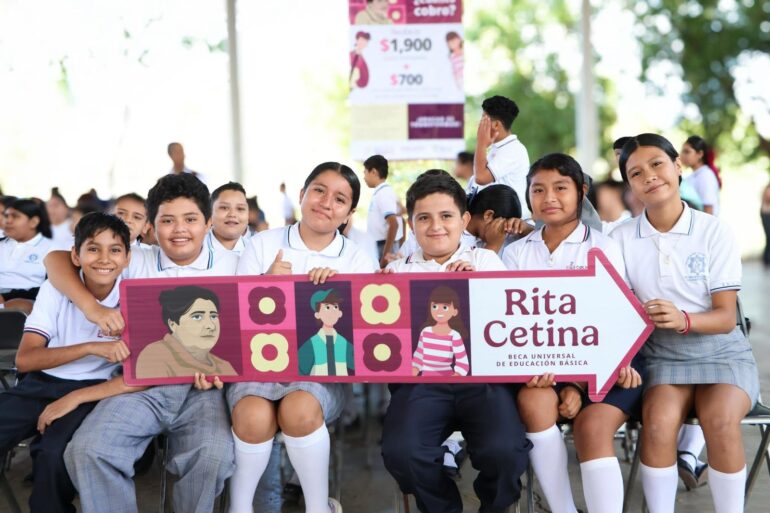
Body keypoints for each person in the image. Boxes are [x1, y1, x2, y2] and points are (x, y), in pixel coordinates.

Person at [46, 173, 238, 513]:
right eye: (167, 220)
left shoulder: (236, 264)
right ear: (151, 225)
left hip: (204, 391)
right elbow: (55, 260)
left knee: (213, 457)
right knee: (88, 449)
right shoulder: (137, 259)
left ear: (208, 223)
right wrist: (91, 308)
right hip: (138, 387)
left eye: (190, 219)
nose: (179, 230)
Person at [612, 133, 758, 513]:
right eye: (636, 173)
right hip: (660, 354)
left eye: (657, 164)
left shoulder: (714, 230)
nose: (649, 176)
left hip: (722, 352)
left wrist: (683, 318)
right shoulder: (620, 237)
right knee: (658, 424)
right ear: (629, 185)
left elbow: (726, 317)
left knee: (720, 421)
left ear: (678, 166)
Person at [229, 162, 376, 513]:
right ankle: (239, 507)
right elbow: (233, 317)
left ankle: (317, 507)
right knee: (252, 416)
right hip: (256, 368)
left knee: (298, 409)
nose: (326, 202)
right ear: (302, 194)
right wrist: (264, 284)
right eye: (319, 191)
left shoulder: (356, 259)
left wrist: (337, 292)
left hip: (321, 371)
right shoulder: (262, 244)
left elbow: (362, 336)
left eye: (339, 199)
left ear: (348, 214)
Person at [381, 170, 530, 513]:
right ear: (412, 224)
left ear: (464, 220)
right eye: (424, 218)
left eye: (446, 216)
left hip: (484, 381)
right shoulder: (397, 275)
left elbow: (509, 323)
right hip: (420, 385)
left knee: (505, 451)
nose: (436, 226)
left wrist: (477, 286)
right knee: (402, 452)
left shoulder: (485, 261)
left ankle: (493, 508)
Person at [503, 153, 642, 513]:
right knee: (532, 402)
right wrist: (551, 377)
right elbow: (512, 325)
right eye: (538, 190)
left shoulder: (603, 247)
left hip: (605, 367)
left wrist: (577, 385)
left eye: (560, 188)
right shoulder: (515, 254)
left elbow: (614, 322)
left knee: (592, 429)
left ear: (581, 191)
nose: (548, 197)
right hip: (539, 367)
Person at [0, 212, 143, 513]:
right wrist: (91, 347)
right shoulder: (57, 288)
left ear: (127, 258)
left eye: (115, 250)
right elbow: (25, 360)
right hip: (41, 382)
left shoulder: (134, 296)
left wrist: (76, 393)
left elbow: (143, 373)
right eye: (93, 248)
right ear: (76, 256)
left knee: (53, 454)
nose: (104, 258)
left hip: (92, 390)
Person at [135, 285, 238, 379]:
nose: (211, 326)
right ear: (173, 324)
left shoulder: (225, 366)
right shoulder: (154, 356)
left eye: (213, 316)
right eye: (197, 317)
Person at [470, 95, 530, 219]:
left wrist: (481, 143)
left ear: (496, 125)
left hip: (508, 222)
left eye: (483, 119)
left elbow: (481, 178)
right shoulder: (497, 148)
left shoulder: (513, 149)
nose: (479, 125)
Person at [0, 198, 55, 313]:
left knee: (21, 307)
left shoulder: (51, 249)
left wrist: (5, 297)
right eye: (6, 216)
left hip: (26, 302)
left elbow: (52, 288)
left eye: (15, 216)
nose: (8, 221)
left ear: (33, 222)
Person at [412, 286, 469, 377]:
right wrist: (412, 374)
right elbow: (418, 359)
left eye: (445, 307)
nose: (439, 311)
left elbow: (463, 364)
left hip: (447, 381)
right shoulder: (425, 332)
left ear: (454, 312)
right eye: (434, 306)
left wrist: (454, 378)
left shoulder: (454, 335)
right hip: (425, 381)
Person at [298, 289, 354, 377]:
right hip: (315, 383)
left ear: (340, 313)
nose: (332, 312)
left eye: (335, 307)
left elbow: (359, 362)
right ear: (317, 315)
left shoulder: (343, 343)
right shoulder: (313, 343)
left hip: (340, 383)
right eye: (327, 307)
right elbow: (299, 368)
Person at [363, 154, 403, 267]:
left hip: (383, 247)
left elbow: (394, 224)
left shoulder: (384, 193)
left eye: (365, 172)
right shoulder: (382, 192)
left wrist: (385, 256)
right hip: (380, 245)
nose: (364, 177)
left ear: (373, 172)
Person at [466, 183, 521, 256]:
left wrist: (526, 229)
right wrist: (493, 245)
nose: (503, 235)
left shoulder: (483, 236)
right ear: (488, 215)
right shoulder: (457, 236)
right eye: (502, 228)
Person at [681, 135, 721, 215]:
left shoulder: (705, 175)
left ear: (700, 154)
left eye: (687, 152)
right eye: (682, 151)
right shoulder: (694, 175)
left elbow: (709, 210)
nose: (682, 155)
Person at [208, 182, 249, 255]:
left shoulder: (257, 250)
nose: (232, 214)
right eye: (224, 208)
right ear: (210, 212)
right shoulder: (196, 249)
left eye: (240, 209)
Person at [762, 179, 770, 268]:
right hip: (766, 214)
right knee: (768, 236)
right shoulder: (767, 189)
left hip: (767, 214)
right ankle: (766, 259)